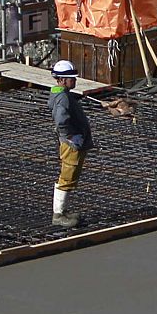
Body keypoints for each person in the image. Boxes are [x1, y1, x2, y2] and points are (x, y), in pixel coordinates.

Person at [50, 59, 93, 229]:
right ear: (61, 79)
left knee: (71, 175)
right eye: (71, 78)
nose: (74, 81)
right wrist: (70, 136)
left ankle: (63, 211)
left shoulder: (64, 94)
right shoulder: (62, 98)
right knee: (67, 176)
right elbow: (61, 120)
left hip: (74, 142)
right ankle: (58, 215)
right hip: (71, 144)